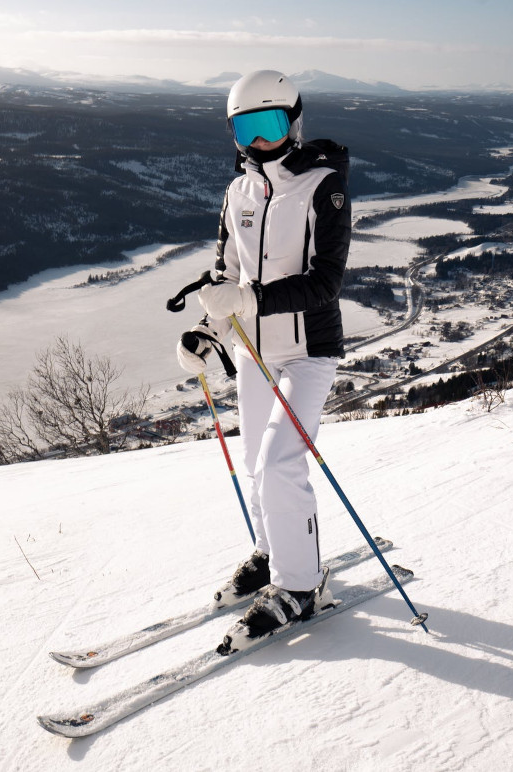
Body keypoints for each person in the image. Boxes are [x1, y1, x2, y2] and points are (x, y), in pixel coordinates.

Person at [176, 70, 351, 637]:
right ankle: (269, 552)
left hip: (309, 351)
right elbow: (226, 274)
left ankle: (301, 586)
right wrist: (208, 331)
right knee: (257, 463)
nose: (257, 142)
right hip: (254, 351)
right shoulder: (237, 192)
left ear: (294, 123)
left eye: (269, 125)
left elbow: (325, 283)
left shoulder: (324, 187)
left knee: (280, 462)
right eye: (245, 128)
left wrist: (247, 298)